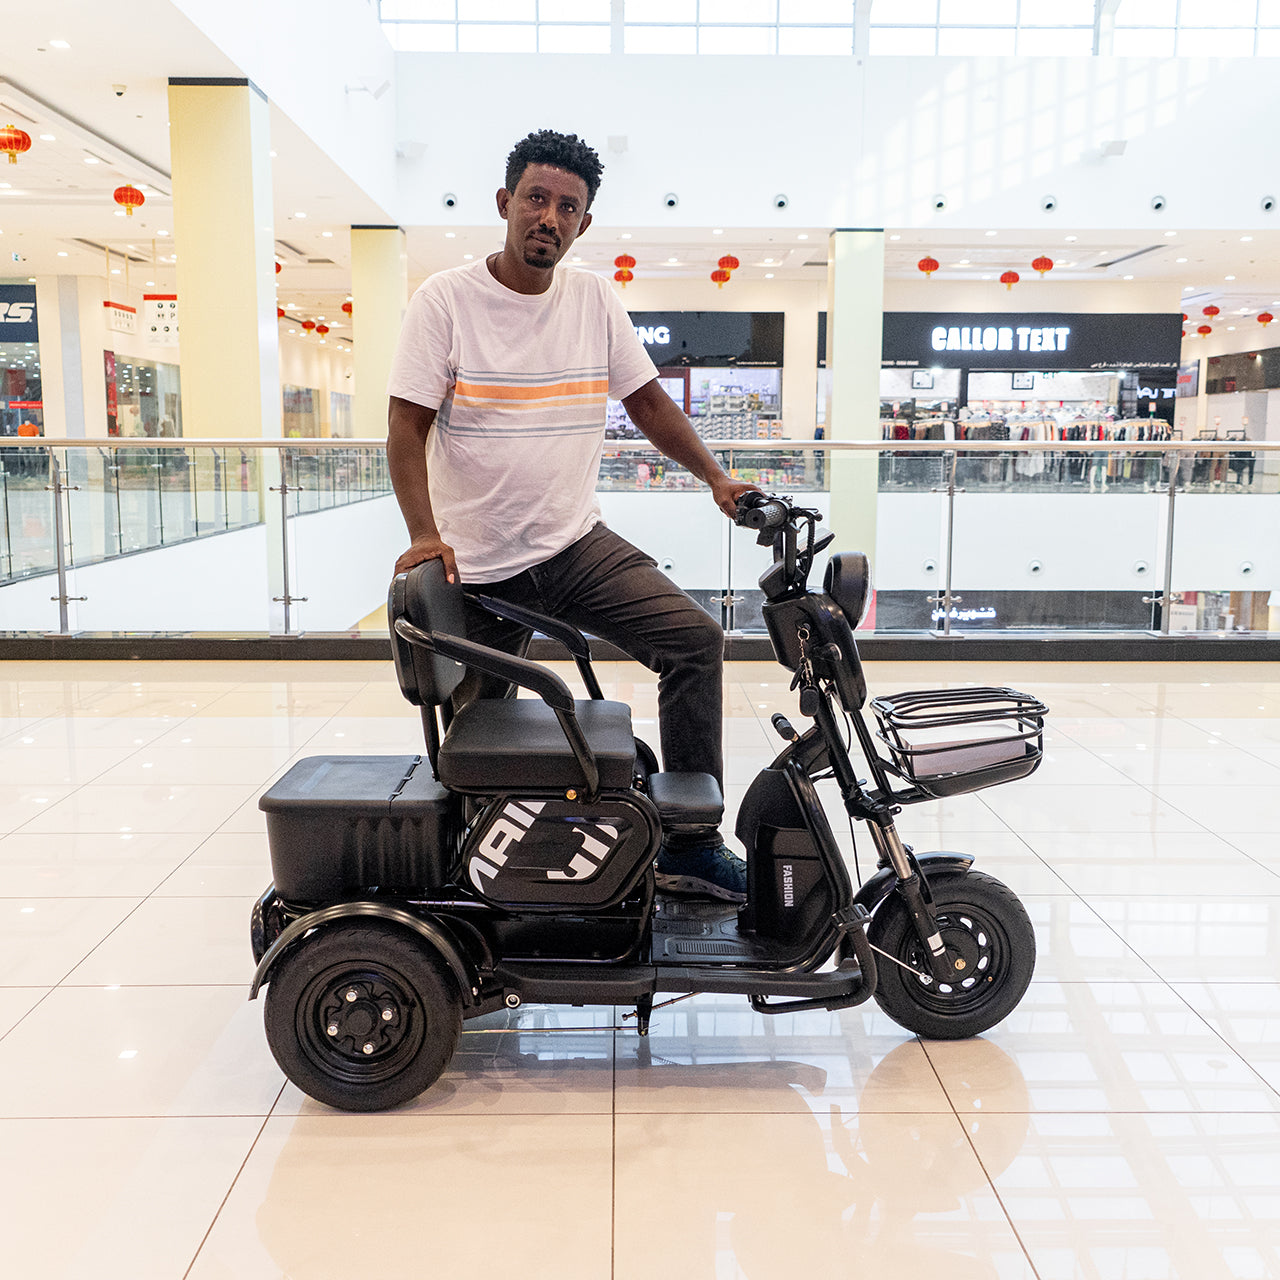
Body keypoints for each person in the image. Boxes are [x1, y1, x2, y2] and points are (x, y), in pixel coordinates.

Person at [386, 128, 759, 903]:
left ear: (583, 224)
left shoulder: (593, 299)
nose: (548, 217)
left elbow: (648, 404)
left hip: (573, 544)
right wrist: (424, 534)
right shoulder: (445, 301)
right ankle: (478, 882)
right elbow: (405, 425)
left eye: (567, 207)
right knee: (475, 741)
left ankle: (690, 847)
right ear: (505, 203)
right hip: (477, 567)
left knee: (694, 642)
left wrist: (716, 478)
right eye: (536, 198)